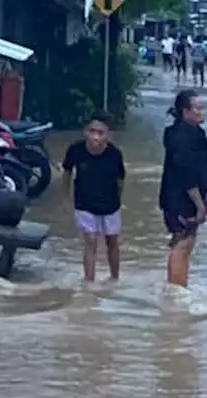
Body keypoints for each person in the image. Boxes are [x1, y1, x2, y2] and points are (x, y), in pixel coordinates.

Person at [62, 110, 126, 282]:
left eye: (100, 133)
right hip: (84, 203)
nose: (95, 137)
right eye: (92, 131)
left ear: (109, 135)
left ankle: (115, 278)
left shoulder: (115, 154)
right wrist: (66, 199)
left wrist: (119, 200)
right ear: (85, 132)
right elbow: (67, 172)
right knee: (90, 240)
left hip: (110, 204)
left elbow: (121, 179)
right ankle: (89, 281)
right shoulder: (75, 150)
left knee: (111, 240)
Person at [159, 90, 207, 288]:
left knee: (185, 245)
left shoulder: (193, 133)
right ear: (185, 111)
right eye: (197, 108)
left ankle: (179, 286)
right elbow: (186, 173)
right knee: (181, 245)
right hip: (180, 200)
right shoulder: (181, 137)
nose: (201, 112)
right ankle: (175, 289)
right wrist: (200, 205)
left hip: (185, 199)